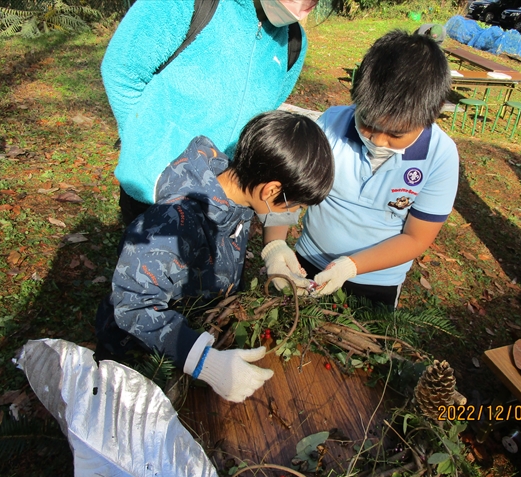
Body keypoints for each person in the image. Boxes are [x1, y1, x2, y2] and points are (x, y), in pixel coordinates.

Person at [95, 111, 334, 402]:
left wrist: (274, 250)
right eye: (294, 206)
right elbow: (132, 307)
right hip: (142, 354)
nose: (293, 215)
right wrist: (201, 359)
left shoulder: (237, 190)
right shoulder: (173, 224)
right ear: (271, 190)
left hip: (197, 322)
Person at [261, 30, 459, 308]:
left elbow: (416, 237)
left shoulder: (440, 156)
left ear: (434, 112)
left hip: (378, 282)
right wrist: (275, 246)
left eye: (395, 134)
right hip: (306, 264)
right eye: (367, 122)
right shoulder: (329, 126)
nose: (376, 140)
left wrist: (350, 267)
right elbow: (288, 193)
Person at [101, 0, 323, 225]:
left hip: (222, 203)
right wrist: (152, 161)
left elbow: (265, 117)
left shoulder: (293, 42)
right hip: (155, 192)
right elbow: (122, 72)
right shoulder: (190, 4)